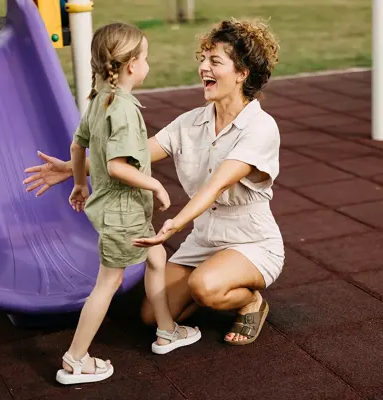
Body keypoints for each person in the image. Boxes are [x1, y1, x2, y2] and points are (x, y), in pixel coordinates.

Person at [24, 18, 283, 348]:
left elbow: (214, 186)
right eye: (202, 58)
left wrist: (173, 225)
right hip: (204, 240)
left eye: (215, 61)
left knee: (206, 287)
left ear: (243, 73)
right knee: (152, 315)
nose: (203, 67)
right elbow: (132, 155)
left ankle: (250, 302)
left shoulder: (261, 128)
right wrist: (73, 169)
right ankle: (211, 283)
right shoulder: (190, 123)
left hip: (251, 242)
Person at [51, 23, 200, 386]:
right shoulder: (123, 110)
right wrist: (156, 185)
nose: (148, 63)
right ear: (132, 65)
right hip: (123, 211)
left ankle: (166, 330)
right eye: (145, 57)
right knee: (108, 283)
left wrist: (80, 183)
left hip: (114, 208)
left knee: (156, 257)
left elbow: (77, 146)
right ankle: (75, 359)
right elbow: (118, 166)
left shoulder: (98, 100)